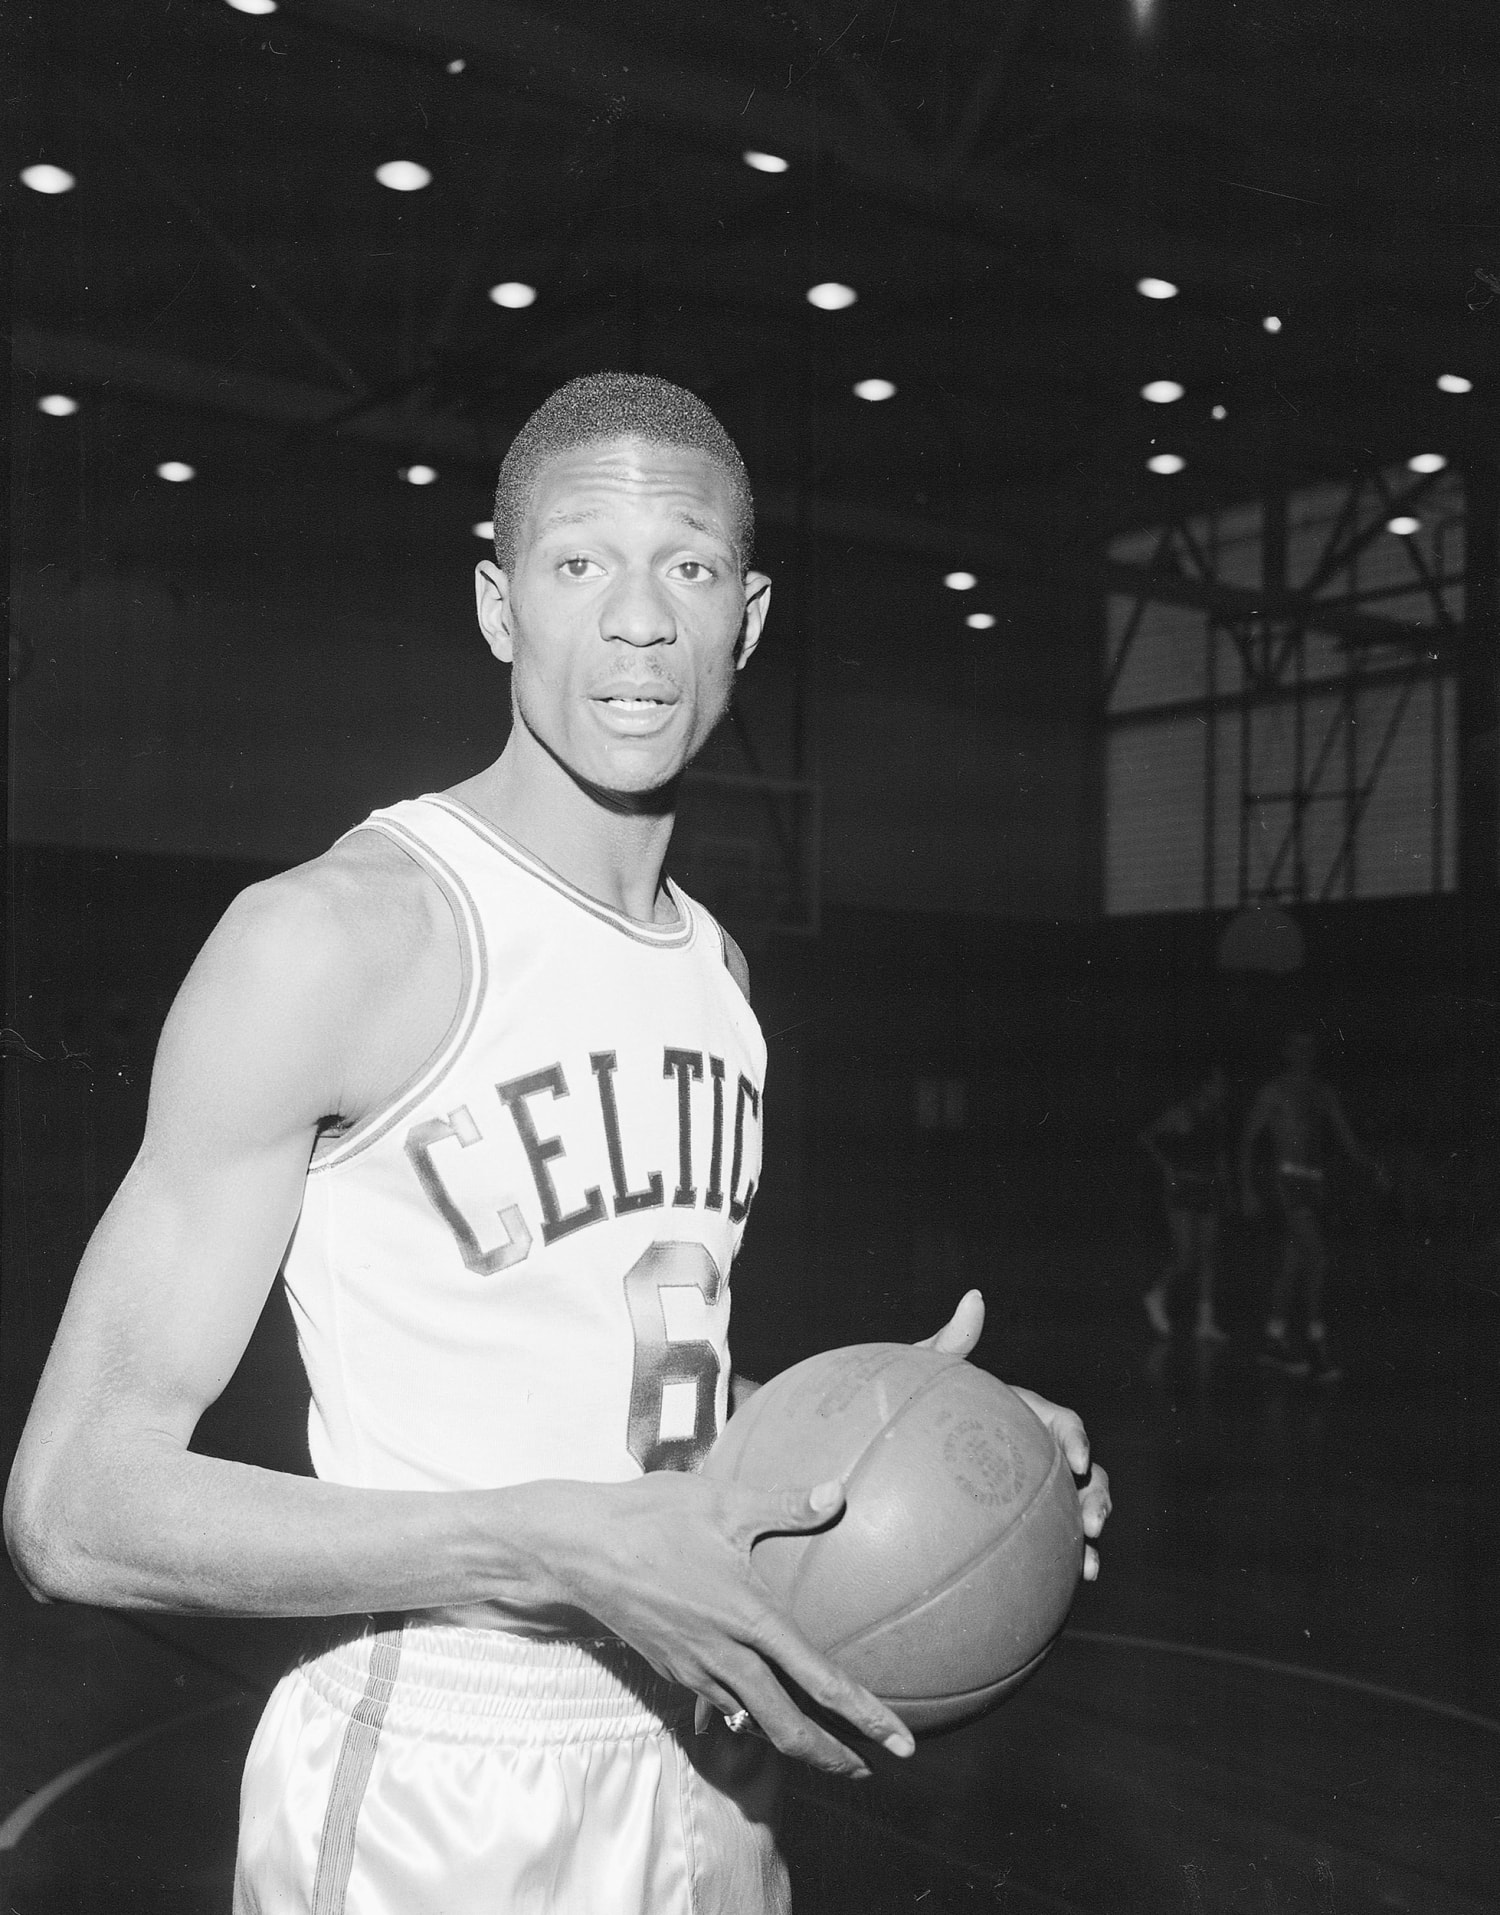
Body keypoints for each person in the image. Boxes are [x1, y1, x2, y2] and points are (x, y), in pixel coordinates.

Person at [5, 374, 1111, 1915]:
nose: (641, 619)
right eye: (581, 561)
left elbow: (627, 1391)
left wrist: (914, 1437)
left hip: (713, 1759)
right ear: (497, 601)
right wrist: (550, 1549)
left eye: (692, 566)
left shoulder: (720, 981)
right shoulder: (334, 938)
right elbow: (76, 1504)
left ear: (751, 613)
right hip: (436, 1777)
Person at [1239, 1029, 1382, 1383]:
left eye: (1310, 1048)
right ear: (1286, 1052)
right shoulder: (1273, 1091)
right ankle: (1317, 1342)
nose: (1304, 1053)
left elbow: (1346, 1139)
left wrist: (1372, 1168)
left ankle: (1274, 1341)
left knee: (1293, 1265)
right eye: (1297, 1047)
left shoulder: (1322, 1092)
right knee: (1317, 1255)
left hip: (1313, 1183)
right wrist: (1247, 1190)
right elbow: (1246, 1140)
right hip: (1285, 1182)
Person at [1138, 1069, 1230, 1343]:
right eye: (1219, 1085)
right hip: (1183, 1188)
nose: (1223, 1090)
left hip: (1209, 1186)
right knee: (1185, 1256)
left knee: (1209, 1255)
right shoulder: (1183, 1112)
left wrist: (1227, 1188)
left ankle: (1205, 1322)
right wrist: (1168, 1169)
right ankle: (1156, 1295)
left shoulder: (1218, 1116)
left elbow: (1220, 1154)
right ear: (1205, 1086)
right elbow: (1147, 1137)